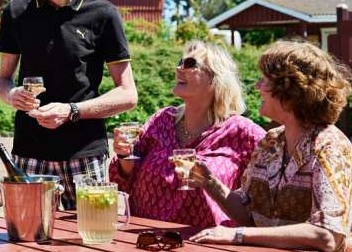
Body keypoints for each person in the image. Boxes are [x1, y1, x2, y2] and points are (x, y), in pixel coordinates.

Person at [0, 0, 138, 209]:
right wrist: (11, 95)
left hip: (85, 156)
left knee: (94, 243)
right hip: (28, 153)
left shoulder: (104, 15)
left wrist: (71, 111)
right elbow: (2, 81)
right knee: (26, 246)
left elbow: (128, 94)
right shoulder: (15, 12)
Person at [181, 41, 352, 252]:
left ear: (289, 92)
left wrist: (238, 234)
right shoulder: (271, 142)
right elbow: (246, 214)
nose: (257, 87)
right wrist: (210, 183)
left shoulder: (328, 146)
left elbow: (327, 235)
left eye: (265, 81)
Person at [110, 41, 265, 229]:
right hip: (145, 242)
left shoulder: (242, 132)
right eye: (179, 62)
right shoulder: (161, 120)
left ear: (215, 78)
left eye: (189, 64)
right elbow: (123, 182)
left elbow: (266, 194)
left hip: (207, 250)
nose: (178, 68)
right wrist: (125, 154)